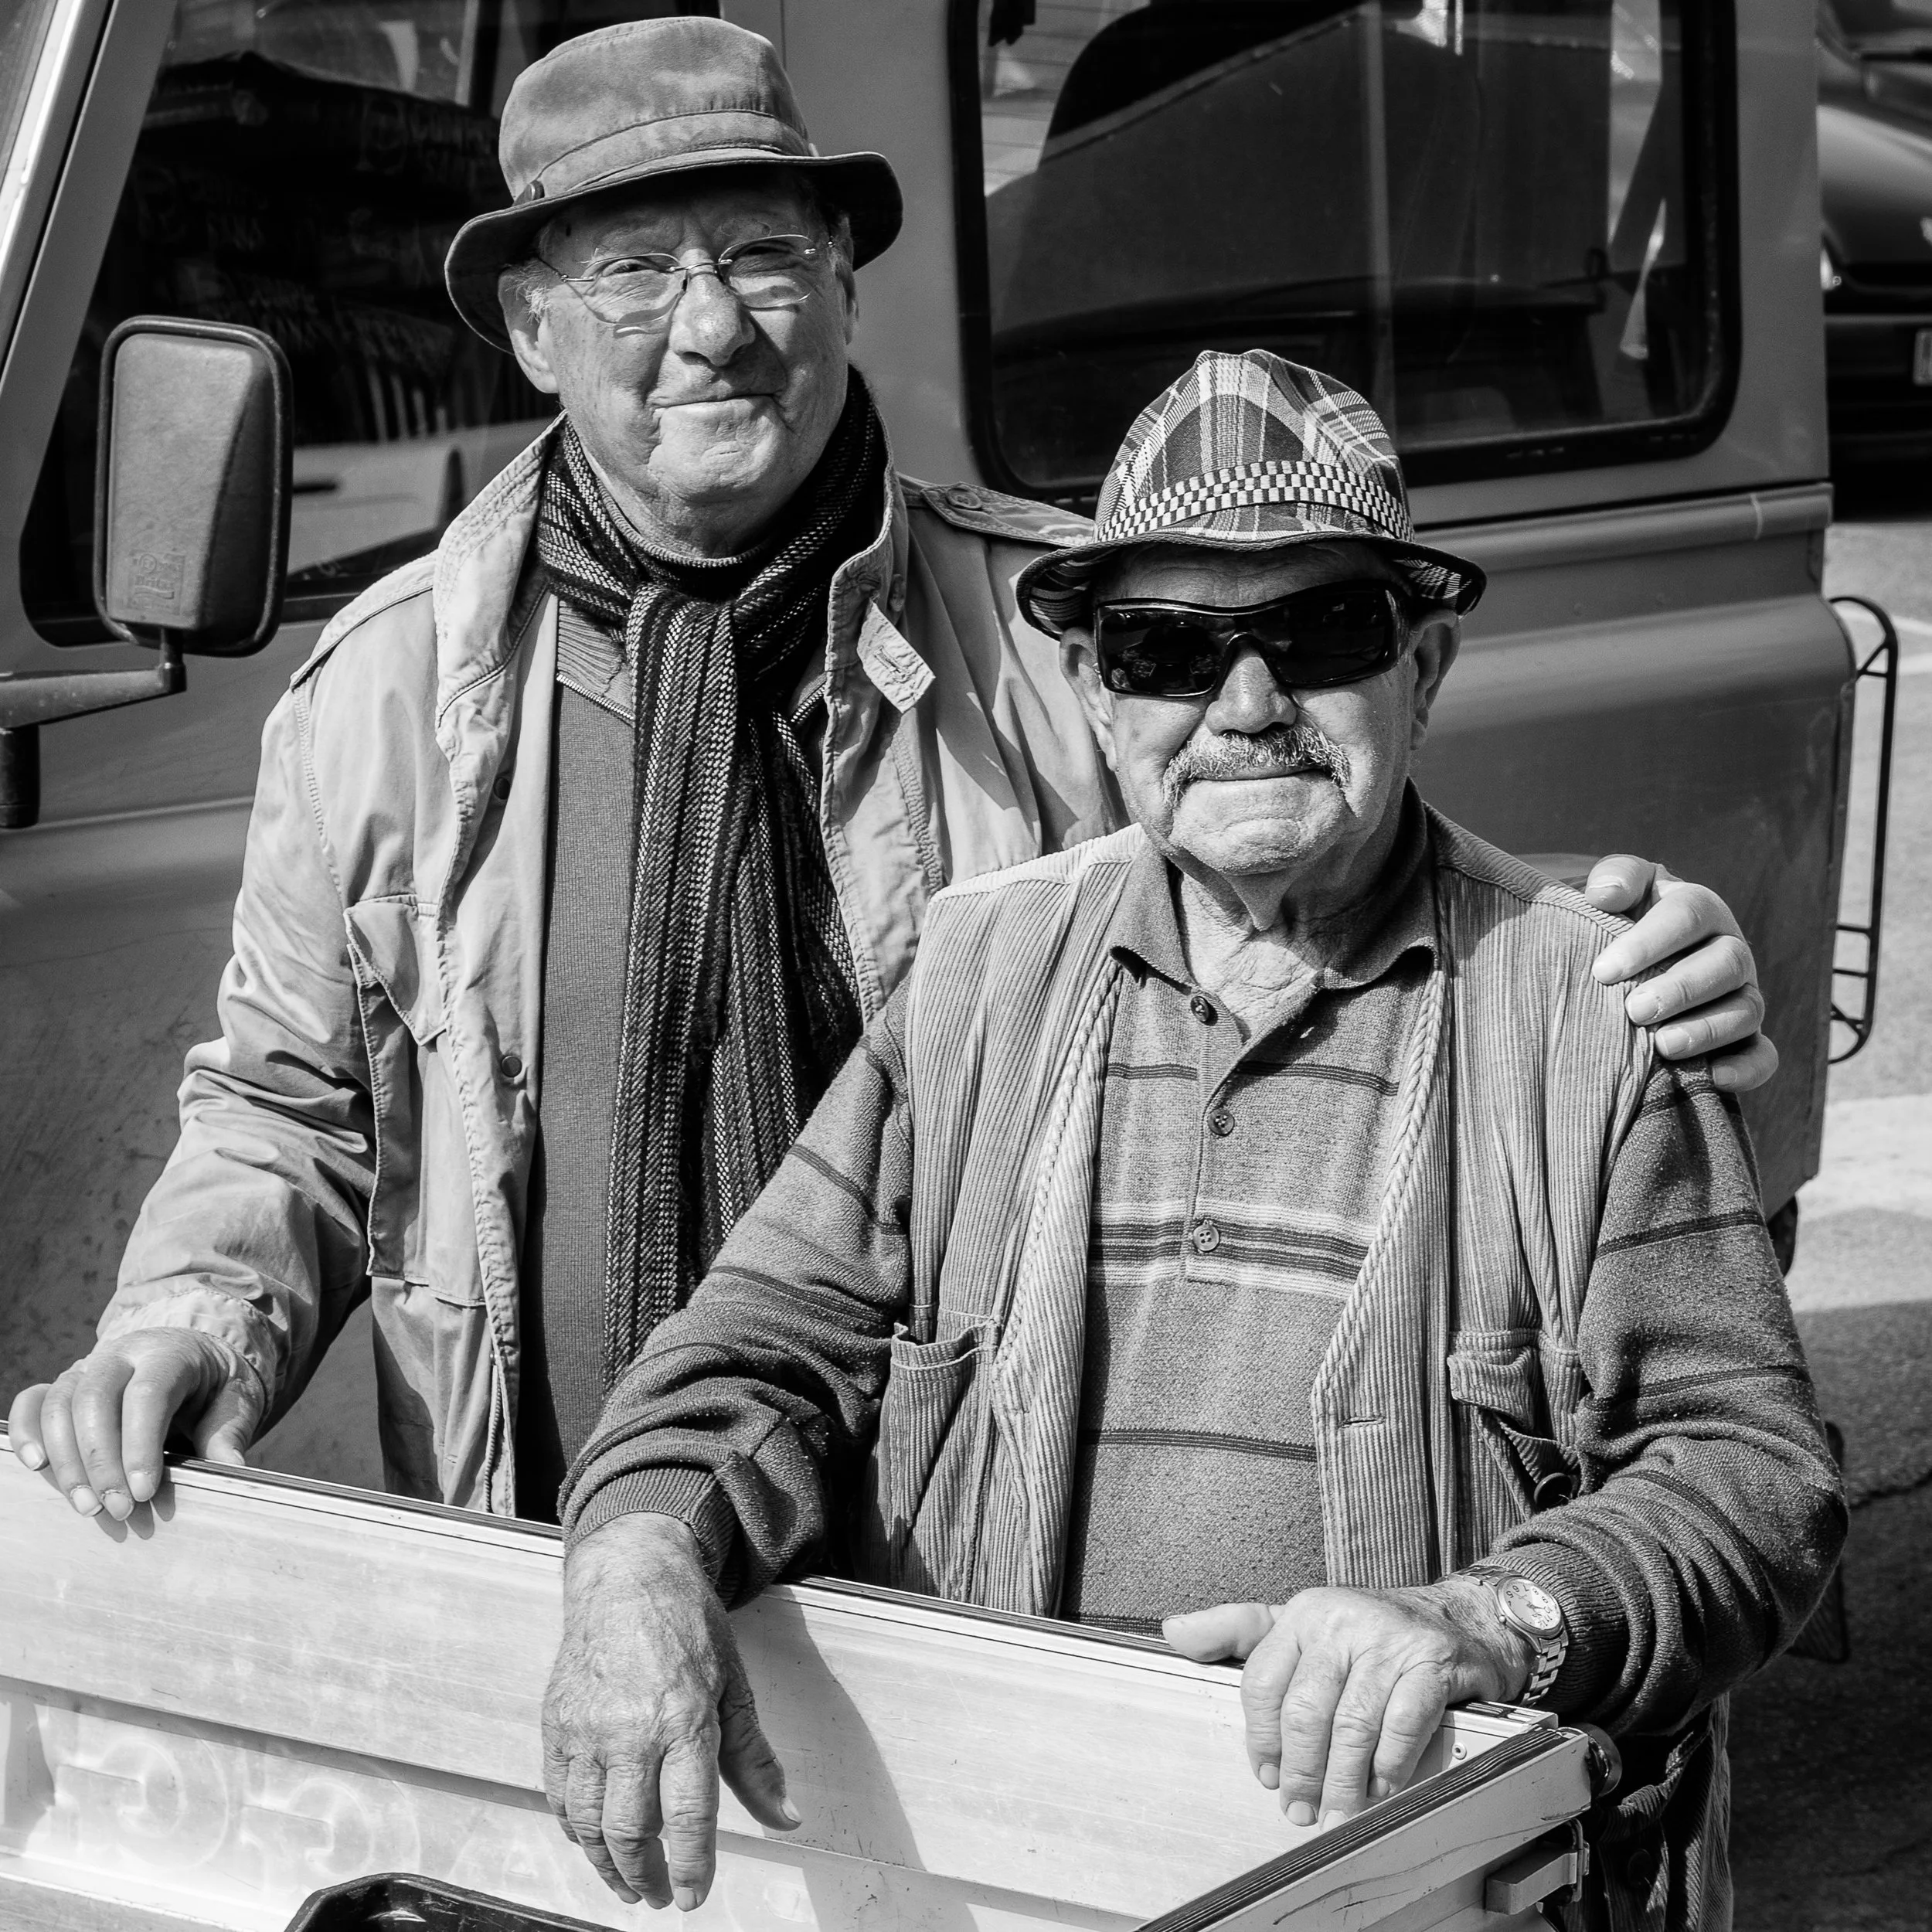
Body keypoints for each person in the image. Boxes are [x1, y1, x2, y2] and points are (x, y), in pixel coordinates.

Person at [8, 22, 1771, 1529]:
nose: (708, 326)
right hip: (549, 1524)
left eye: (761, 256)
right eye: (632, 271)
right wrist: (188, 1319)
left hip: (965, 1531)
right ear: (530, 333)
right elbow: (288, 1106)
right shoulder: (382, 688)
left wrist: (1609, 950)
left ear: (842, 289)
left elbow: (1313, 849)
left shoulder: (1063, 632)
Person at [542, 354, 1845, 1930]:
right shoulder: (973, 976)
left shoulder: (1590, 1012)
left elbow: (1749, 1474)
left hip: (1422, 1887)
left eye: (1317, 635)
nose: (1244, 704)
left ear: (1421, 669)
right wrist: (633, 1556)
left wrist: (1489, 1617)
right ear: (1097, 693)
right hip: (1018, 1867)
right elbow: (757, 1351)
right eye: (1168, 646)